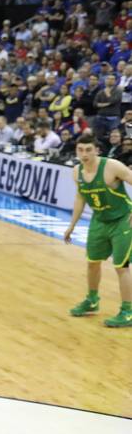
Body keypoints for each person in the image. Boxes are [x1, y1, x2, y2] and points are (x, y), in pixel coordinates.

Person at [63, 133, 132, 328]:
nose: (84, 154)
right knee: (92, 263)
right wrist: (72, 225)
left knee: (121, 266)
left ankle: (128, 311)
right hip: (99, 220)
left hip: (122, 220)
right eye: (80, 150)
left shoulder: (112, 166)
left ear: (97, 150)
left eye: (88, 150)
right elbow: (80, 198)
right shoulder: (77, 171)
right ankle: (92, 300)